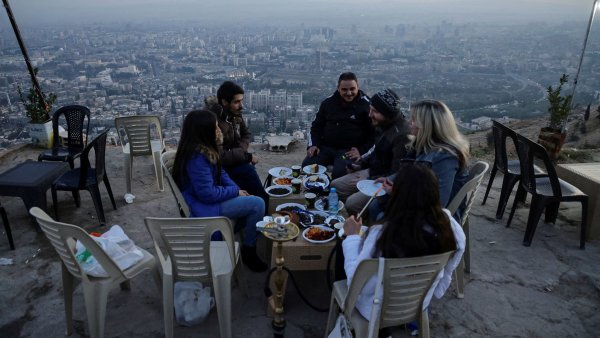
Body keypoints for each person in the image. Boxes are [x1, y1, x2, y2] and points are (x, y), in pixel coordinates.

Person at [342, 163, 465, 333]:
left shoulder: (382, 234)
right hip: (418, 303)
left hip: (374, 310)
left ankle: (376, 331)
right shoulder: (451, 229)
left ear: (398, 195)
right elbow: (449, 270)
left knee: (346, 255)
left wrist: (352, 237)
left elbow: (355, 281)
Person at [172, 109, 267, 272]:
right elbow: (207, 194)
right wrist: (234, 193)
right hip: (204, 206)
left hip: (209, 198)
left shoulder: (205, 149)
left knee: (249, 195)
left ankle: (240, 234)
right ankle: (249, 250)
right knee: (258, 204)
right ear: (204, 131)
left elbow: (221, 172)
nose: (219, 130)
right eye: (215, 127)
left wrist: (236, 189)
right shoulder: (197, 158)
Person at [371, 99, 470, 221]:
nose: (409, 123)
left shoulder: (445, 157)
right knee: (376, 206)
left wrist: (397, 192)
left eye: (413, 120)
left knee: (380, 214)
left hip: (434, 219)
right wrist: (390, 179)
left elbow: (437, 202)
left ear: (427, 125)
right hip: (418, 205)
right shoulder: (424, 147)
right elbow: (412, 172)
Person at [330, 88, 410, 216]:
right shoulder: (382, 125)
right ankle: (358, 213)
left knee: (352, 203)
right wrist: (361, 164)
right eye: (371, 109)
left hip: (383, 182)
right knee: (335, 185)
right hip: (373, 172)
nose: (370, 114)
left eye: (375, 111)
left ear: (388, 114)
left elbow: (396, 174)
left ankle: (364, 223)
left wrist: (367, 180)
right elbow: (375, 152)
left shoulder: (401, 136)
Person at [204, 81, 269, 210]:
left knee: (248, 172)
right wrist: (246, 156)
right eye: (237, 102)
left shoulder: (234, 114)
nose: (241, 106)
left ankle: (258, 206)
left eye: (241, 101)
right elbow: (219, 157)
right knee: (249, 172)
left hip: (233, 159)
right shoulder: (213, 122)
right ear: (224, 102)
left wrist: (241, 152)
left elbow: (246, 134)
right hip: (218, 168)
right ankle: (263, 209)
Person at [302, 72, 374, 179]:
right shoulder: (328, 103)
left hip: (348, 151)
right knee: (308, 166)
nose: (349, 93)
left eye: (352, 89)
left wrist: (361, 151)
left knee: (340, 173)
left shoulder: (366, 106)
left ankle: (335, 192)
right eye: (344, 89)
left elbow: (374, 134)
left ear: (358, 87)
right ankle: (321, 186)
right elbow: (317, 126)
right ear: (338, 88)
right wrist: (314, 144)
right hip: (326, 147)